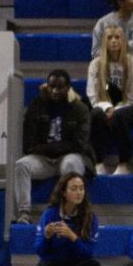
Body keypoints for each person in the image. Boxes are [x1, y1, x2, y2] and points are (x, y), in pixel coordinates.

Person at [14, 70, 92, 225]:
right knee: (21, 165)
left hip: (68, 156)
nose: (55, 91)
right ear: (46, 86)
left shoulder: (79, 108)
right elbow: (28, 143)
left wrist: (48, 148)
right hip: (44, 159)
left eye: (60, 87)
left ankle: (70, 213)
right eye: (52, 86)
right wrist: (50, 149)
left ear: (68, 88)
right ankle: (23, 213)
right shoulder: (37, 106)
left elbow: (79, 144)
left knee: (71, 164)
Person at [87, 26, 133, 174]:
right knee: (95, 115)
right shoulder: (96, 64)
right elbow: (92, 94)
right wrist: (106, 108)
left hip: (131, 107)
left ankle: (123, 163)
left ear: (123, 40)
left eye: (117, 37)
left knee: (119, 116)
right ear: (104, 41)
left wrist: (115, 110)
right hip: (103, 105)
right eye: (109, 38)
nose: (113, 41)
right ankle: (99, 162)